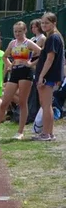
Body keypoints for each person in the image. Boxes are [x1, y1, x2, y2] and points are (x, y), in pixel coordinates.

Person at [0, 21, 41, 140]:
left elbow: (42, 53)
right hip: (15, 72)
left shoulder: (29, 43)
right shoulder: (12, 43)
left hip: (25, 72)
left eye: (20, 31)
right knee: (4, 102)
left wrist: (31, 63)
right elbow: (4, 56)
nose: (17, 33)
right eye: (15, 31)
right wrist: (9, 65)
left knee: (23, 102)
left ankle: (20, 132)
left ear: (24, 31)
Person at [33, 11, 63, 141]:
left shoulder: (53, 38)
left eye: (47, 23)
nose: (44, 25)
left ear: (54, 23)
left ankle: (46, 133)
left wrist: (41, 76)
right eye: (43, 23)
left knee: (45, 105)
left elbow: (50, 58)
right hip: (51, 76)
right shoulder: (56, 37)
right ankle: (49, 133)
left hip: (47, 77)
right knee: (47, 105)